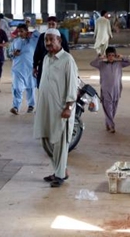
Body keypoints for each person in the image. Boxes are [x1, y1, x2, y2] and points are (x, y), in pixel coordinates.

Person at [33, 29, 78, 188]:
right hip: (45, 108)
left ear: (59, 40)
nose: (48, 43)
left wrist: (69, 106)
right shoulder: (46, 58)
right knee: (45, 140)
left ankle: (59, 174)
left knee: (59, 142)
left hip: (61, 108)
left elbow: (73, 84)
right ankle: (60, 169)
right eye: (46, 40)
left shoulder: (68, 60)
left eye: (51, 40)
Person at [90, 46, 130, 133]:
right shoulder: (101, 65)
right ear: (106, 56)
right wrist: (99, 58)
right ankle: (112, 125)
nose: (111, 57)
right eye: (109, 55)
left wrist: (122, 57)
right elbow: (92, 63)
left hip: (116, 90)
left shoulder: (119, 64)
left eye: (113, 55)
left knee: (113, 108)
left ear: (115, 56)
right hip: (106, 90)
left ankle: (108, 122)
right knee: (108, 108)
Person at [10, 24, 40, 115]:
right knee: (17, 88)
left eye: (22, 31)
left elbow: (38, 34)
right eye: (18, 31)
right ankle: (16, 106)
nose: (20, 33)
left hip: (30, 68)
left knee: (30, 87)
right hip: (17, 69)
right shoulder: (15, 42)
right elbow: (9, 54)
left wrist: (30, 33)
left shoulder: (33, 41)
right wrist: (13, 53)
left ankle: (31, 105)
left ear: (27, 31)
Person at [33, 16, 70, 87]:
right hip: (43, 65)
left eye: (53, 24)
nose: (51, 26)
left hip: (58, 65)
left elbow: (66, 52)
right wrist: (34, 66)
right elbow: (37, 52)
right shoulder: (42, 37)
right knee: (42, 85)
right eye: (49, 24)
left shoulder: (61, 37)